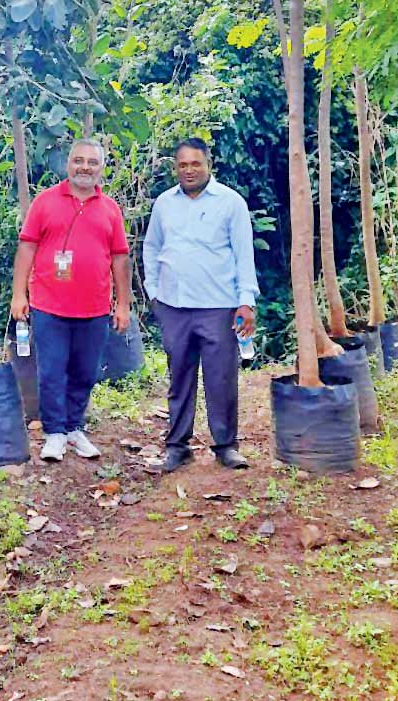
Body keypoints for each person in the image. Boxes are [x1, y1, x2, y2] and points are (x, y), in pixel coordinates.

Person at [10, 139, 132, 462]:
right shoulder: (45, 202)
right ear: (68, 164)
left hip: (94, 309)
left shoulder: (110, 210)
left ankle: (74, 427)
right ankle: (54, 433)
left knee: (86, 370)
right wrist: (18, 294)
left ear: (100, 169)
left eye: (92, 162)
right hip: (49, 306)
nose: (85, 167)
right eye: (79, 161)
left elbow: (120, 258)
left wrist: (123, 304)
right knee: (51, 370)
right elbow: (27, 248)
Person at [144, 137, 258, 473]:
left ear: (209, 164)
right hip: (174, 306)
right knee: (179, 376)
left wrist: (246, 301)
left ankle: (226, 445)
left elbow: (243, 255)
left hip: (219, 306)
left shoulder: (230, 203)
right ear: (175, 168)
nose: (189, 170)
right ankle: (177, 446)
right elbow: (151, 249)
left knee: (221, 377)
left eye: (196, 163)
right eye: (183, 165)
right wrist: (154, 291)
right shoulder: (164, 204)